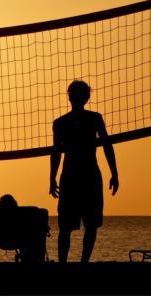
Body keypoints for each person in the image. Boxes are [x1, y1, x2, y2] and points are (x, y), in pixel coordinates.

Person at [49, 80, 119, 263]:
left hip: (75, 176)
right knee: (85, 226)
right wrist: (114, 173)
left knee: (72, 226)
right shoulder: (93, 119)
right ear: (86, 98)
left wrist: (52, 178)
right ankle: (83, 263)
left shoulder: (62, 122)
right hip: (86, 176)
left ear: (70, 97)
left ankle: (67, 264)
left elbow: (56, 153)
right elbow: (107, 146)